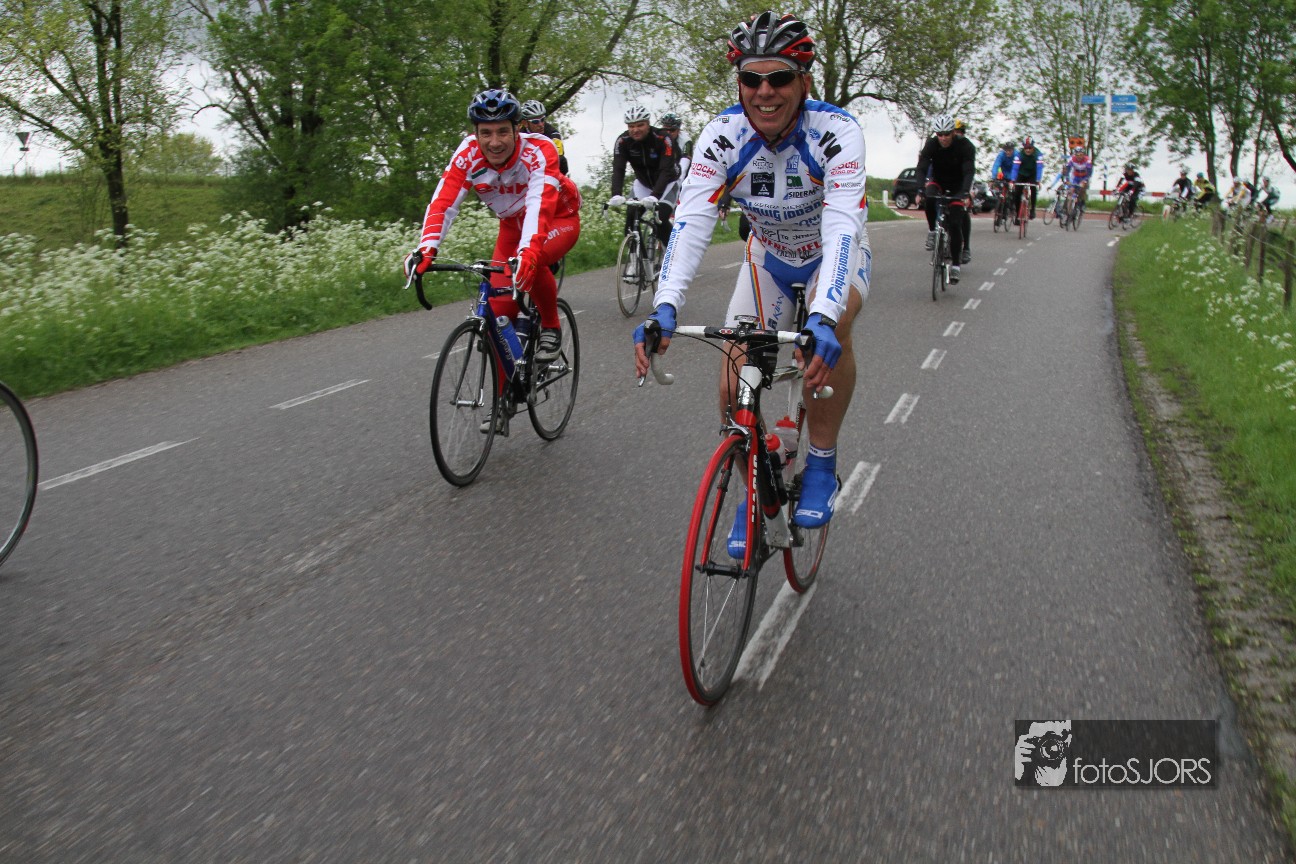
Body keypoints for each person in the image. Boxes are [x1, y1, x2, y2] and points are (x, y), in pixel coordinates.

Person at [632, 10, 870, 534]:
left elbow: (842, 228)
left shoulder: (836, 131)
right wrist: (665, 304)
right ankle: (757, 490)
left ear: (804, 82)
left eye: (779, 77)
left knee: (834, 332)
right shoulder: (722, 135)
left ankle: (822, 463)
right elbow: (691, 221)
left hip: (831, 255)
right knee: (730, 389)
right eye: (751, 78)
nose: (765, 91)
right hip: (769, 257)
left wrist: (824, 315)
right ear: (739, 82)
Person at [404, 89, 581, 366]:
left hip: (557, 217)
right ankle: (506, 393)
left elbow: (539, 206)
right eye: (485, 133)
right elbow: (444, 203)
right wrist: (426, 249)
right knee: (498, 317)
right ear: (475, 133)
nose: (494, 142)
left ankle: (550, 325)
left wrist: (528, 253)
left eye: (502, 132)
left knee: (532, 262)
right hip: (511, 226)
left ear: (517, 130)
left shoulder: (539, 149)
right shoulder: (468, 154)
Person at [608, 105, 678, 252]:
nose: (635, 130)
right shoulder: (623, 141)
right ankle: (638, 259)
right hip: (643, 184)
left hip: (667, 183)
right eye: (631, 126)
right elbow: (618, 169)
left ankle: (676, 255)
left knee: (660, 220)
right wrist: (616, 193)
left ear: (648, 124)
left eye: (640, 125)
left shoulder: (663, 138)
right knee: (630, 220)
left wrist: (655, 196)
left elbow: (665, 170)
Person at [916, 113, 974, 279]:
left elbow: (969, 170)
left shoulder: (965, 146)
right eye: (939, 135)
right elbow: (922, 167)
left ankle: (955, 265)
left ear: (953, 132)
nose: (943, 138)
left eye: (946, 134)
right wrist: (920, 189)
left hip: (958, 186)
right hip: (939, 182)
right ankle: (932, 231)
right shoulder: (931, 144)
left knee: (955, 224)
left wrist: (965, 192)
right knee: (929, 198)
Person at [519, 99, 569, 175]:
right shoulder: (519, 135)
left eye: (542, 119)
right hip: (526, 168)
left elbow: (557, 157)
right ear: (525, 123)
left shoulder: (553, 134)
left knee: (562, 160)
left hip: (547, 165)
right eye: (535, 121)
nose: (541, 124)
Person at [658, 112, 693, 203]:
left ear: (678, 130)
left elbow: (684, 167)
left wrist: (677, 184)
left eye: (672, 130)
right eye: (666, 130)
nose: (668, 133)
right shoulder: (658, 137)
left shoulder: (685, 141)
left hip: (682, 173)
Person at [1009, 136, 1044, 224]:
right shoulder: (1019, 154)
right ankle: (1018, 214)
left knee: (1033, 189)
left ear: (1033, 147)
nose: (1028, 150)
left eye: (1030, 148)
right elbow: (1015, 168)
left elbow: (1039, 168)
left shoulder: (1038, 154)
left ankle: (1032, 209)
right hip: (1021, 173)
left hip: (1032, 174)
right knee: (1017, 193)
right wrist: (1012, 180)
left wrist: (1038, 180)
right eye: (1026, 148)